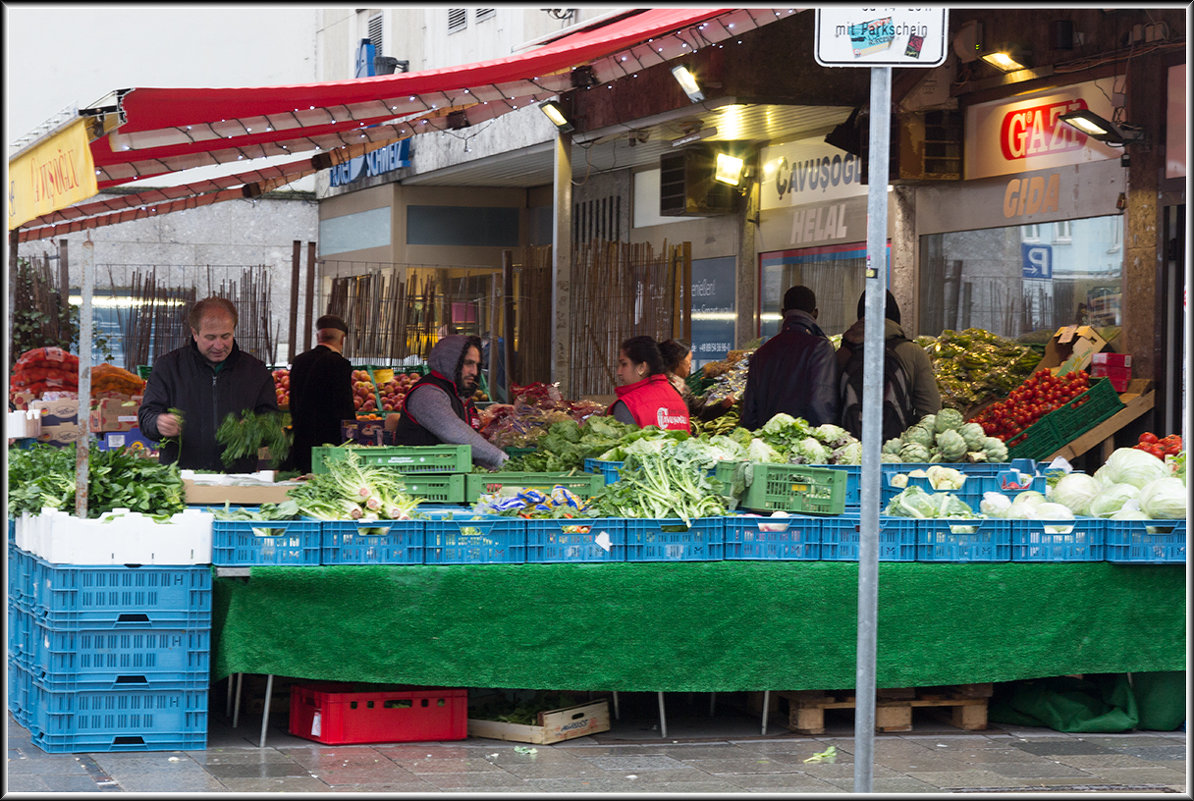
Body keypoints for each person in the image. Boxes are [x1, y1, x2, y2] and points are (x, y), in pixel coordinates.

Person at [138, 296, 278, 472]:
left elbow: (272, 422)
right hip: (181, 480)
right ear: (195, 333)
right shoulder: (168, 367)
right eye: (210, 337)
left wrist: (254, 428)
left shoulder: (255, 371)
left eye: (225, 336)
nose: (219, 345)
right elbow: (146, 416)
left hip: (237, 479)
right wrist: (158, 423)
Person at [387, 334, 508, 470]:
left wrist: (499, 471)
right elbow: (456, 434)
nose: (474, 372)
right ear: (450, 361)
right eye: (468, 363)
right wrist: (502, 460)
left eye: (477, 365)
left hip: (450, 480)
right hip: (422, 481)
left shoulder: (462, 397)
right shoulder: (427, 394)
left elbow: (473, 451)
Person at [837, 289, 941, 438]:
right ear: (895, 315)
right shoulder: (913, 352)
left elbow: (829, 407)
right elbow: (930, 412)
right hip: (897, 450)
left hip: (849, 450)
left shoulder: (842, 355)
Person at [739, 285, 839, 430]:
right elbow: (821, 405)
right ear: (815, 313)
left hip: (767, 445)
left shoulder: (761, 353)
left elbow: (749, 414)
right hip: (804, 445)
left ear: (783, 313)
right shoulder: (820, 349)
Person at [286, 314, 357, 473]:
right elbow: (344, 408)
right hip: (329, 448)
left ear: (318, 336)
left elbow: (293, 403)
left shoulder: (299, 361)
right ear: (342, 339)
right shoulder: (339, 364)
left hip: (302, 443)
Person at [607, 335, 691, 431]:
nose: (619, 372)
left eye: (624, 364)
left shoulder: (628, 405)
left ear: (642, 367)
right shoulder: (678, 399)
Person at [658, 339, 736, 424]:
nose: (690, 365)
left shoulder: (682, 388)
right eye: (688, 361)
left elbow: (701, 411)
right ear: (677, 362)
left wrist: (724, 405)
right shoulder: (661, 388)